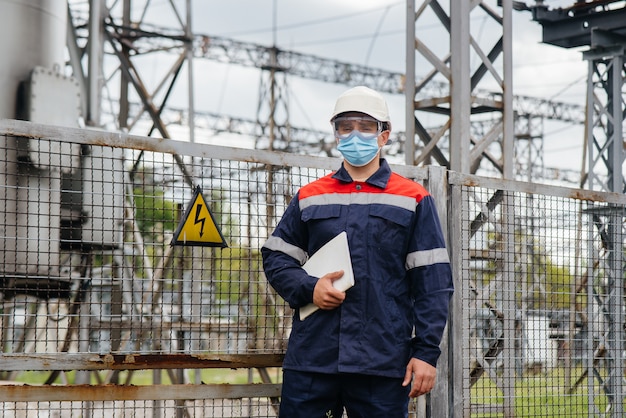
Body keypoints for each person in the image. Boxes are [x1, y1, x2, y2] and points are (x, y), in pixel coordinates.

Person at [261, 85, 453, 417]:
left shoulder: (413, 198)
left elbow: (433, 284)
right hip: (313, 358)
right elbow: (277, 258)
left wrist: (425, 353)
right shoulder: (310, 196)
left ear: (384, 135)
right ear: (335, 133)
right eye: (346, 126)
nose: (355, 135)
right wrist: (310, 288)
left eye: (366, 127)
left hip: (382, 361)